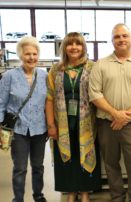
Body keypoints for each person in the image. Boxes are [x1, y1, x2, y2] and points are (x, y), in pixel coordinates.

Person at [89, 23, 131, 202]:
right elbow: (94, 94)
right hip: (106, 123)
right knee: (111, 164)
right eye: (117, 37)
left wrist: (124, 116)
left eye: (125, 36)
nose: (121, 39)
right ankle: (117, 197)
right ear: (112, 41)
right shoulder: (100, 65)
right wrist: (114, 114)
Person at [45, 32, 101, 202]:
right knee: (66, 157)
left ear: (83, 47)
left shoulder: (92, 67)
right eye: (70, 44)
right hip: (63, 122)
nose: (74, 47)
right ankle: (70, 191)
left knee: (84, 153)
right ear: (64, 48)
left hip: (87, 122)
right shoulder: (56, 69)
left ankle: (84, 192)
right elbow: (49, 98)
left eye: (78, 44)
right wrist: (51, 125)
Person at [0, 36, 48, 202]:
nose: (32, 58)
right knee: (20, 168)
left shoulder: (44, 75)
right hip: (18, 129)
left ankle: (38, 195)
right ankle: (18, 199)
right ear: (20, 55)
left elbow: (48, 103)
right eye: (28, 54)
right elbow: (1, 103)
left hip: (39, 129)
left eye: (35, 54)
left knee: (38, 166)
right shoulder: (9, 76)